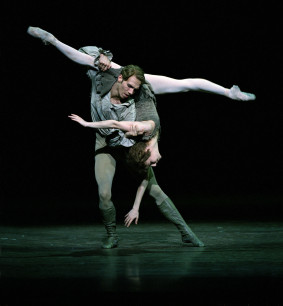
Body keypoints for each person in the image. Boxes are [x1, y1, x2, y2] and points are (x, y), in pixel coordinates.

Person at [27, 26, 256, 249]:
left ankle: (186, 233)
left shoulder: (133, 86)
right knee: (104, 193)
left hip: (129, 142)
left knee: (156, 189)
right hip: (105, 142)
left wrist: (54, 41)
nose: (131, 91)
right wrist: (55, 41)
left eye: (96, 58)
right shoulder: (103, 75)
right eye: (95, 60)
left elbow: (185, 86)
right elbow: (79, 58)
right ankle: (111, 235)